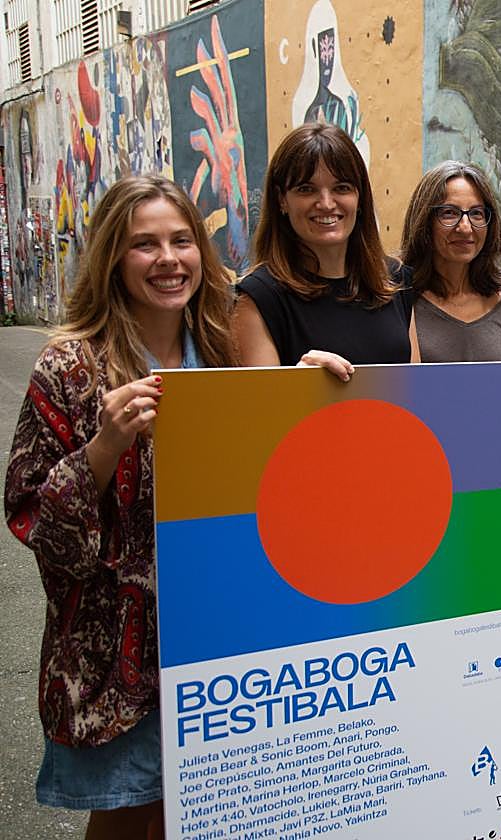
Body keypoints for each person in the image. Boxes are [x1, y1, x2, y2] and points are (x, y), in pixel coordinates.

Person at [4, 175, 237, 839]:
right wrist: (105, 446)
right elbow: (35, 519)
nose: (168, 259)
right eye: (144, 244)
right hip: (117, 652)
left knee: (211, 810)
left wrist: (306, 392)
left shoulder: (224, 352)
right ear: (113, 256)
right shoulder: (69, 368)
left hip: (219, 631)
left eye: (181, 241)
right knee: (129, 813)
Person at [233, 123, 418, 377]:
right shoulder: (258, 299)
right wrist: (296, 382)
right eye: (306, 189)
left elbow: (416, 390)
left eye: (341, 187)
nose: (326, 203)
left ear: (360, 197)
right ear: (281, 200)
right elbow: (258, 402)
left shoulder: (395, 280)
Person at [399, 160, 501, 362]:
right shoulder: (400, 303)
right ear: (424, 222)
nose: (465, 227)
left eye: (476, 213)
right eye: (449, 213)